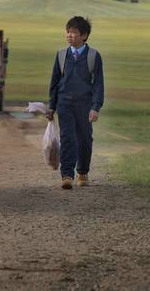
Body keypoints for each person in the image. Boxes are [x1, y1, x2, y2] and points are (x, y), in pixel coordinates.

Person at [46, 16, 105, 190]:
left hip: (85, 104)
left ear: (84, 35)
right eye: (68, 32)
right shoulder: (61, 55)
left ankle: (82, 172)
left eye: (74, 32)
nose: (69, 35)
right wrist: (51, 105)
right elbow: (54, 82)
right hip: (65, 103)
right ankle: (67, 175)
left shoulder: (94, 56)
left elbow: (99, 83)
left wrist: (96, 107)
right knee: (67, 138)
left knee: (85, 139)